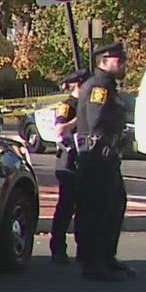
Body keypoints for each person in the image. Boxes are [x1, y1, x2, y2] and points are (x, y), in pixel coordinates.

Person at [71, 41, 133, 282]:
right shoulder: (99, 87)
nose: (123, 64)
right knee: (99, 209)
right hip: (98, 158)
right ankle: (94, 262)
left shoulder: (107, 86)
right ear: (104, 62)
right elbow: (96, 124)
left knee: (114, 206)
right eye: (119, 60)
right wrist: (107, 145)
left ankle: (107, 257)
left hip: (105, 157)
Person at [46, 68, 88, 265]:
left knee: (85, 208)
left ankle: (83, 249)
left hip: (84, 162)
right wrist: (78, 120)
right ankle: (58, 248)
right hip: (69, 163)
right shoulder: (68, 105)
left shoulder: (87, 104)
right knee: (66, 207)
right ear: (79, 85)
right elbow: (59, 129)